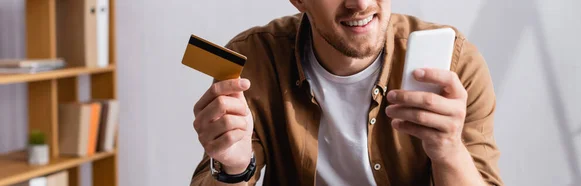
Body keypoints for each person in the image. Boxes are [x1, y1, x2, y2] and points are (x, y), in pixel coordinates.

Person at [190, 0, 503, 185]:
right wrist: (233, 167)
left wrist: (449, 150)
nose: (361, 3)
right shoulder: (254, 61)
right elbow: (222, 171)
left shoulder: (456, 64)